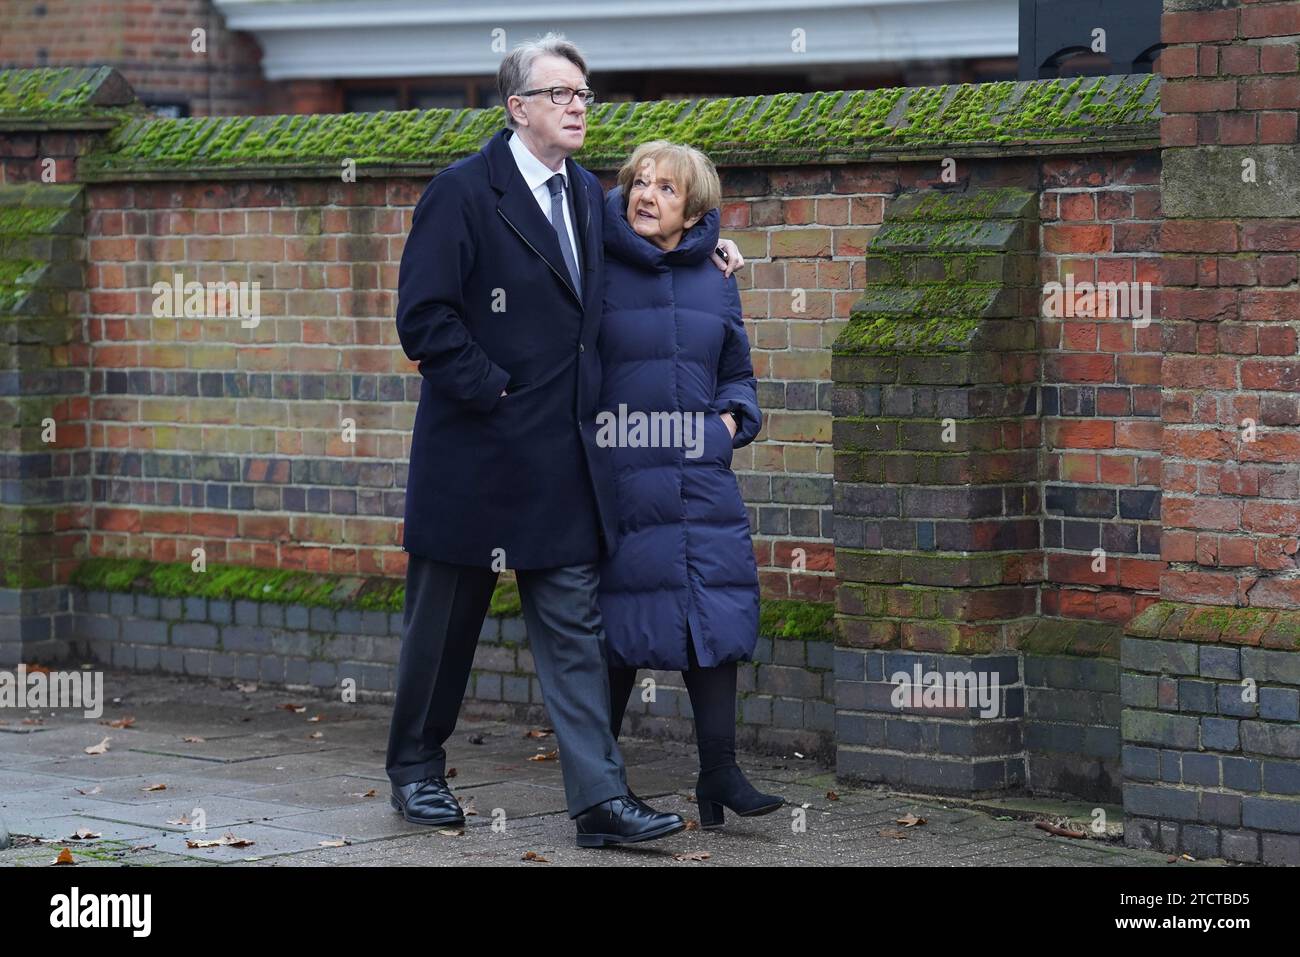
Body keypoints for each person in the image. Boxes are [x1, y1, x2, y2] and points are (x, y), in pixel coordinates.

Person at [387, 35, 743, 848]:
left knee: (577, 633)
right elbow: (424, 319)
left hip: (562, 463)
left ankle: (599, 801)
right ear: (518, 109)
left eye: (585, 93)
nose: (579, 105)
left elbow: (660, 242)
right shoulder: (462, 193)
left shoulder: (588, 195)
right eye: (561, 94)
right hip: (472, 458)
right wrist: (496, 390)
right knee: (443, 629)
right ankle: (414, 769)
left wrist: (716, 247)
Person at [596, 141, 783, 828]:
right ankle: (599, 784)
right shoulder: (598, 264)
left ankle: (720, 773)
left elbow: (738, 369)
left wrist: (731, 425)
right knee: (617, 625)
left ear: (695, 208)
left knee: (715, 611)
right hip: (623, 472)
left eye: (666, 189)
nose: (646, 195)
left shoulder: (716, 274)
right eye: (638, 183)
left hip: (701, 473)